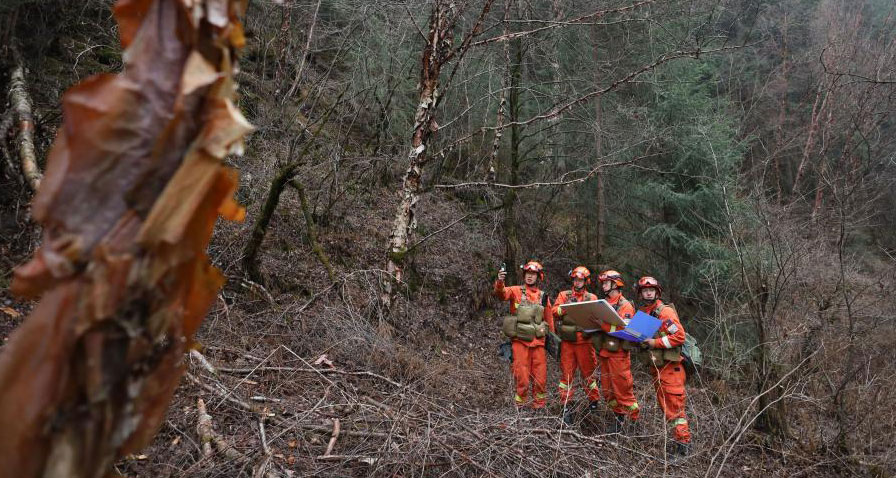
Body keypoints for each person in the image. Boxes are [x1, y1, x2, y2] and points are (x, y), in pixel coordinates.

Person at [635, 276, 691, 458]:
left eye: (651, 290)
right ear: (640, 293)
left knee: (675, 410)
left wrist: (655, 342)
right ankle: (677, 443)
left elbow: (679, 336)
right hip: (658, 369)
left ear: (657, 292)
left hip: (672, 368)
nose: (648, 292)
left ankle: (683, 447)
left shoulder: (663, 312)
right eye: (645, 290)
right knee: (667, 408)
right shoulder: (644, 313)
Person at [493, 261, 554, 409]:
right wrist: (500, 282)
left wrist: (552, 342)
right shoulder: (515, 290)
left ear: (538, 277)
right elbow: (501, 294)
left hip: (538, 343)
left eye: (533, 274)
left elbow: (549, 319)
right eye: (527, 274)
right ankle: (520, 406)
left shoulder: (543, 296)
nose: (529, 277)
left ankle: (539, 407)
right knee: (522, 377)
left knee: (540, 379)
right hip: (520, 342)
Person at [593, 270, 640, 434]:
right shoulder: (603, 303)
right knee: (607, 391)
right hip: (605, 352)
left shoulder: (625, 305)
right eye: (603, 282)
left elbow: (624, 328)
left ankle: (634, 422)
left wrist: (603, 325)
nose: (603, 285)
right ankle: (618, 419)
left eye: (606, 282)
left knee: (623, 391)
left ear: (615, 284)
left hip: (619, 355)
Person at [552, 266, 600, 423]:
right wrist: (566, 308)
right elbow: (554, 311)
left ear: (586, 281)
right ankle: (566, 405)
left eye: (581, 280)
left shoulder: (592, 297)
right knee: (566, 376)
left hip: (586, 343)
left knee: (589, 375)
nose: (577, 282)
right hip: (568, 343)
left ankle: (593, 403)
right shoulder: (564, 295)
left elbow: (599, 318)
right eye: (575, 279)